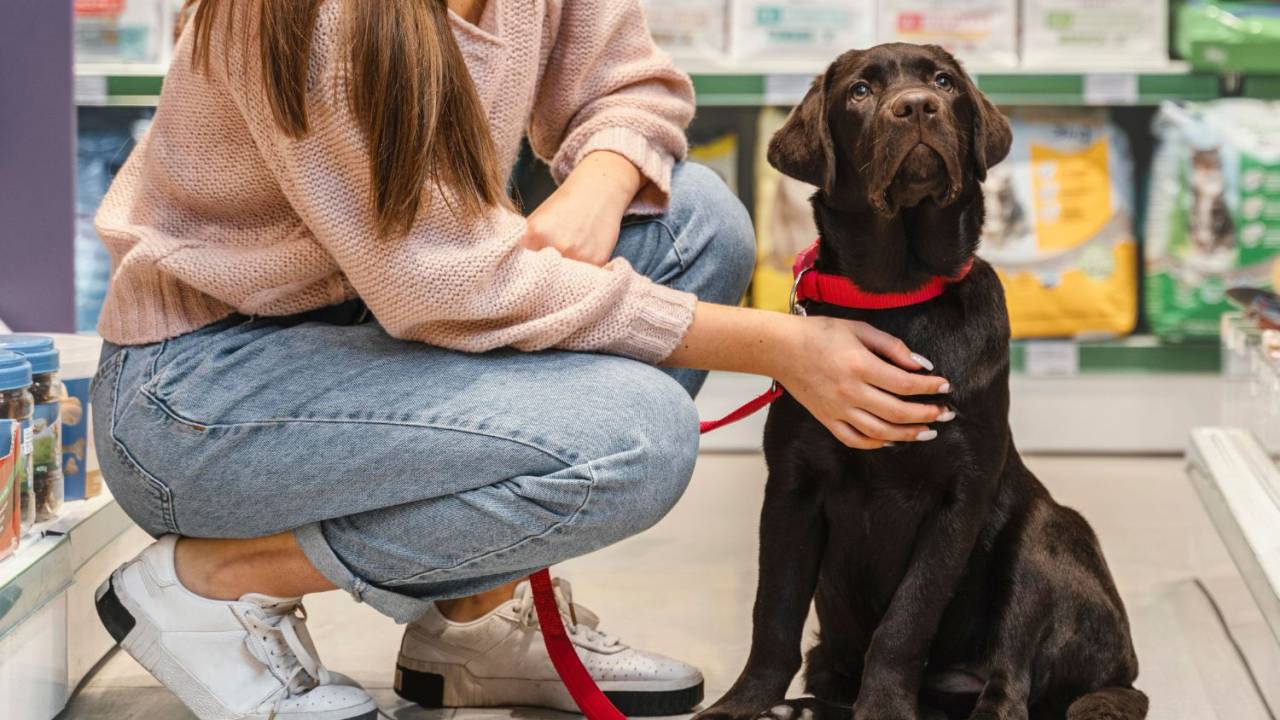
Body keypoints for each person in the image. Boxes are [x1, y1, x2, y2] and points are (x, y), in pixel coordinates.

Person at [89, 2, 954, 719]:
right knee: (636, 440)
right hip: (203, 397)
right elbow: (441, 288)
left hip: (377, 329)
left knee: (697, 225)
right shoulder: (318, 19)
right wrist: (777, 344)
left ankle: (469, 617)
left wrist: (597, 182)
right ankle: (212, 581)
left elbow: (633, 86)